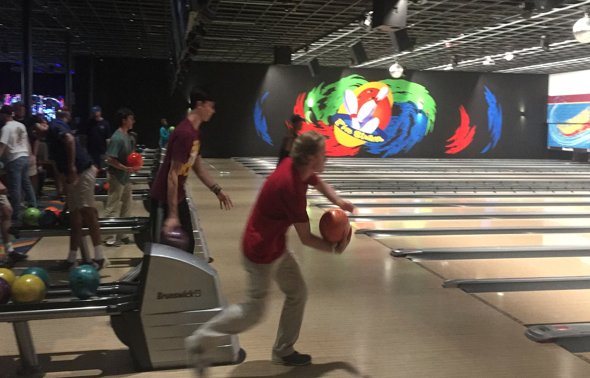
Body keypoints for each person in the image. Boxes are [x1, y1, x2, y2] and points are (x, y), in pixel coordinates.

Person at [185, 131, 354, 376]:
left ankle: (284, 351)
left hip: (275, 246)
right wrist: (335, 249)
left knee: (297, 293)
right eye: (323, 155)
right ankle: (199, 341)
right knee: (254, 311)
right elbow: (306, 239)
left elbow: (318, 182)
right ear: (309, 158)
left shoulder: (294, 166)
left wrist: (339, 201)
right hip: (260, 251)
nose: (326, 158)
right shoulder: (291, 189)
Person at [149, 90, 233, 254]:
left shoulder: (196, 134)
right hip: (163, 200)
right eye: (211, 106)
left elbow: (199, 168)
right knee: (166, 253)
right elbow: (172, 175)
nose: (213, 111)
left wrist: (217, 190)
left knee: (188, 247)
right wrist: (173, 215)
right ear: (199, 105)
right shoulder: (184, 134)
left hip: (178, 196)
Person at [35, 110, 107, 271]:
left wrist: (72, 167)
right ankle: (71, 258)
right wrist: (62, 190)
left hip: (82, 172)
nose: (34, 132)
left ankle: (100, 257)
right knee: (74, 217)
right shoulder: (50, 141)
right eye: (31, 131)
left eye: (36, 127)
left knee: (88, 212)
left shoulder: (55, 125)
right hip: (73, 177)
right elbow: (57, 167)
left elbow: (69, 140)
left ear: (44, 123)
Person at [104, 108, 138, 247]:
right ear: (124, 120)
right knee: (112, 206)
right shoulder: (117, 137)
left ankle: (122, 234)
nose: (133, 121)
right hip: (116, 176)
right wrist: (125, 168)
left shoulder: (127, 136)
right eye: (131, 119)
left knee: (127, 205)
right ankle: (109, 236)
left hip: (126, 177)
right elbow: (110, 159)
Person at [0, 105, 37, 221]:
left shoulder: (6, 128)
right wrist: (31, 156)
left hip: (14, 159)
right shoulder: (21, 126)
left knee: (15, 187)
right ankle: (33, 206)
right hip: (25, 156)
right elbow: (26, 142)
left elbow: (2, 145)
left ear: (3, 115)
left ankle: (17, 213)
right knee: (27, 184)